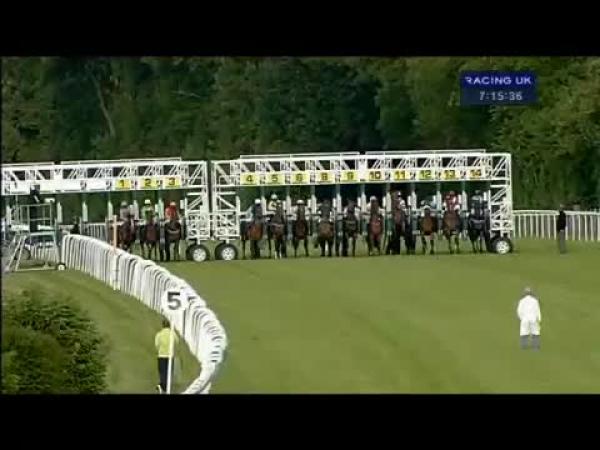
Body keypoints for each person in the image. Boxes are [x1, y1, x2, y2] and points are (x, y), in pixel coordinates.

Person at [155, 318, 179, 394]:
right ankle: (164, 387)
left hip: (161, 355)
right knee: (169, 372)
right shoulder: (173, 334)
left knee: (162, 372)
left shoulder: (159, 334)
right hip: (170, 356)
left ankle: (162, 386)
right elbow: (177, 342)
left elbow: (157, 344)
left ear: (162, 325)